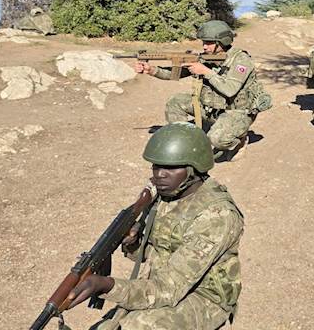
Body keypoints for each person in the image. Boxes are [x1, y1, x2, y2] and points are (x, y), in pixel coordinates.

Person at [66, 122, 244, 330]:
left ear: (194, 169)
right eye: (156, 166)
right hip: (161, 283)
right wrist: (134, 243)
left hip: (205, 298)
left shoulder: (216, 216)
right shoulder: (167, 195)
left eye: (170, 167)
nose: (159, 174)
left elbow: (168, 289)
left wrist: (106, 285)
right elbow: (159, 250)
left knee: (138, 326)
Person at [134, 20, 270, 160]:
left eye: (209, 42)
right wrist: (151, 70)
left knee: (216, 139)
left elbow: (230, 90)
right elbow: (176, 74)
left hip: (237, 112)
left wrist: (205, 71)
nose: (204, 46)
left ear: (222, 42)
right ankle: (185, 143)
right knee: (175, 102)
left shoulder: (241, 60)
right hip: (213, 108)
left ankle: (239, 141)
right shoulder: (205, 58)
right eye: (203, 42)